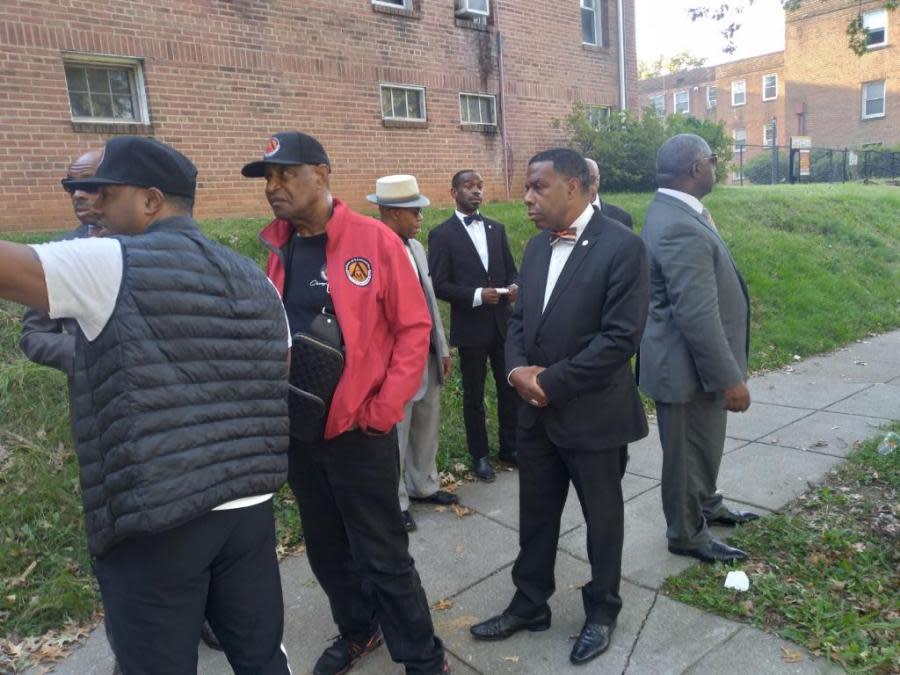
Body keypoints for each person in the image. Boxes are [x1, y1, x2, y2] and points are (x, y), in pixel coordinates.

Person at [0, 136, 292, 674]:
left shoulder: (109, 262)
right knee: (260, 654)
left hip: (158, 518)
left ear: (152, 201)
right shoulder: (256, 279)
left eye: (107, 196)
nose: (95, 211)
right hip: (248, 509)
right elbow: (278, 374)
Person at [244, 132, 449, 675]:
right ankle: (360, 630)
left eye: (286, 174)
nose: (274, 187)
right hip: (301, 431)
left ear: (323, 173)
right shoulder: (279, 246)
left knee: (383, 555)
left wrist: (383, 408)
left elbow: (414, 329)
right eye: (268, 177)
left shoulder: (375, 240)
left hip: (362, 432)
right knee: (327, 550)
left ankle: (425, 658)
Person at [470, 149, 650, 666]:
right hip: (536, 414)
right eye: (527, 188)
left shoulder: (624, 248)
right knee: (536, 516)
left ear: (574, 187)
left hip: (593, 415)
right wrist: (515, 372)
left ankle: (602, 610)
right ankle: (530, 604)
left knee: (602, 519)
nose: (527, 197)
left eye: (538, 187)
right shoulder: (534, 248)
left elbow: (619, 340)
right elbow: (520, 320)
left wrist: (551, 381)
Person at [639, 133, 757, 565]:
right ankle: (686, 532)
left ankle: (706, 506)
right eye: (711, 159)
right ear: (694, 169)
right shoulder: (677, 225)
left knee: (703, 445)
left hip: (690, 366)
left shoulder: (678, 212)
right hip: (687, 369)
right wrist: (730, 380)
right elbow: (697, 316)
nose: (715, 165)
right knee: (687, 455)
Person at [368, 174, 457, 534]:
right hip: (396, 361)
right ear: (390, 211)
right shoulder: (372, 250)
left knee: (426, 422)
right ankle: (395, 500)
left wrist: (442, 345)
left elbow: (429, 301)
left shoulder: (416, 248)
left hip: (427, 355)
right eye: (413, 212)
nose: (420, 218)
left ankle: (423, 485)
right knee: (397, 433)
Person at [427, 170, 518, 482]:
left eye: (479, 187)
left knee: (509, 388)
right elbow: (438, 284)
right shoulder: (442, 235)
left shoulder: (497, 229)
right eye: (468, 186)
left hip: (503, 326)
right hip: (471, 327)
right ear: (454, 192)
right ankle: (479, 454)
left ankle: (510, 446)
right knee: (474, 394)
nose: (476, 192)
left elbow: (510, 271)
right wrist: (478, 295)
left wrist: (514, 287)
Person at [585, 157, 633, 230]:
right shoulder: (564, 220)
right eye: (582, 180)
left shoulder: (621, 218)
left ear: (598, 180)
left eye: (592, 179)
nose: (587, 185)